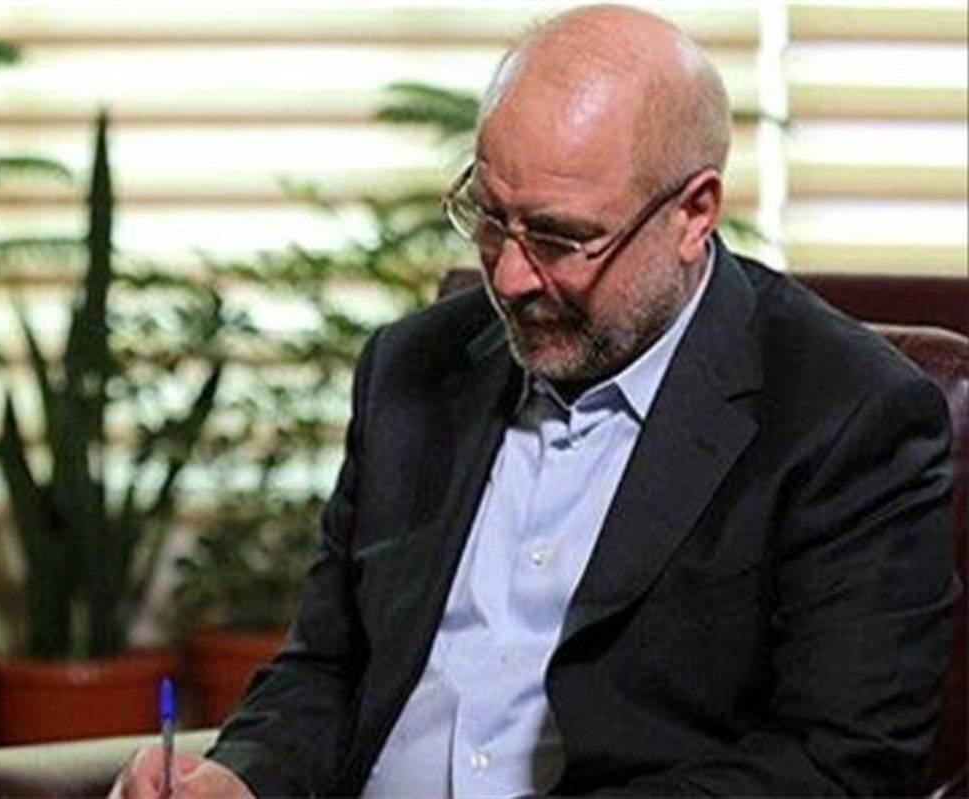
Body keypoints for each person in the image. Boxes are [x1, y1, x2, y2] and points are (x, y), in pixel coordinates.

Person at [113, 5, 956, 797]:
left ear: (694, 213)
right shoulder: (410, 369)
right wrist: (241, 777)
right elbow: (330, 668)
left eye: (559, 236)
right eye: (490, 216)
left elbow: (837, 766)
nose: (512, 277)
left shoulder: (848, 416)